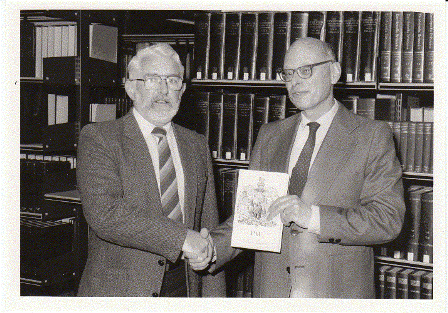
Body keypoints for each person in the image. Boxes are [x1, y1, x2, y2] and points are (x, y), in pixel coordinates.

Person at [210, 37, 405, 298]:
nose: (295, 81)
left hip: (336, 292)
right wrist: (211, 248)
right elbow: (252, 216)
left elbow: (387, 220)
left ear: (334, 72)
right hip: (272, 291)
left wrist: (312, 216)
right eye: (288, 73)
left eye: (306, 70)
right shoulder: (270, 135)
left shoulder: (371, 135)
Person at [76, 43, 225, 297]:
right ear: (131, 87)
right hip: (122, 292)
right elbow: (106, 214)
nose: (164, 91)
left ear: (183, 89)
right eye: (153, 80)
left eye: (173, 81)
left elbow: (208, 226)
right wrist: (182, 239)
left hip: (185, 287)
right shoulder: (100, 138)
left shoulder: (197, 144)